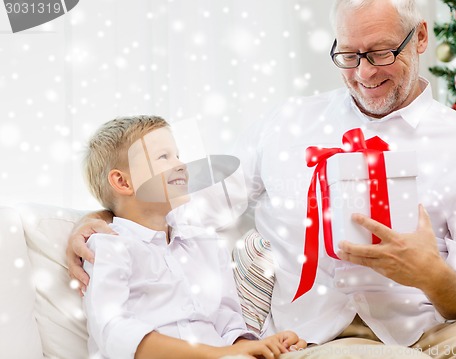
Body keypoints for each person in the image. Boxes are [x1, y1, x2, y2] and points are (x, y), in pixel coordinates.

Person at [68, 1, 456, 358]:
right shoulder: (288, 123)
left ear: (421, 37)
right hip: (318, 337)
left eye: (382, 53)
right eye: (349, 56)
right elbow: (190, 202)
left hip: (431, 330)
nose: (364, 74)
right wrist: (103, 215)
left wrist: (432, 276)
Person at [79, 115, 307, 359]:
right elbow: (113, 330)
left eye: (178, 155)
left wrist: (257, 346)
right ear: (123, 182)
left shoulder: (205, 243)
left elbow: (227, 322)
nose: (181, 164)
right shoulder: (109, 246)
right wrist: (215, 354)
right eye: (163, 157)